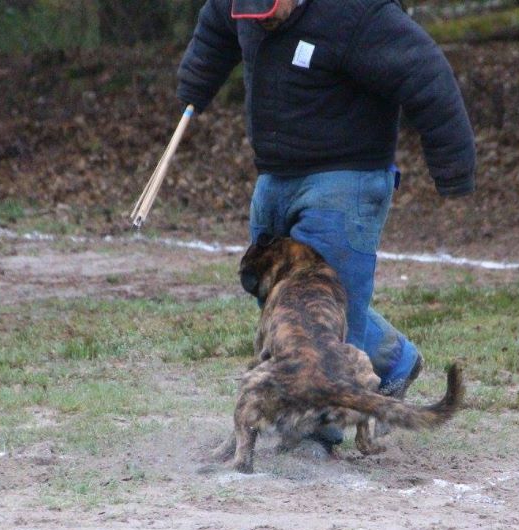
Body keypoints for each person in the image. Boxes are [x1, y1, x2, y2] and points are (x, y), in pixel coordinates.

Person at [178, 0, 476, 445]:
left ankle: (321, 434)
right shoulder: (241, 7)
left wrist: (453, 167)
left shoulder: (357, 14)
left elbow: (425, 73)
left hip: (347, 178)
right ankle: (393, 361)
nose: (262, 22)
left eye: (270, 11)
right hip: (274, 173)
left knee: (333, 305)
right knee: (286, 302)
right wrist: (194, 86)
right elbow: (216, 29)